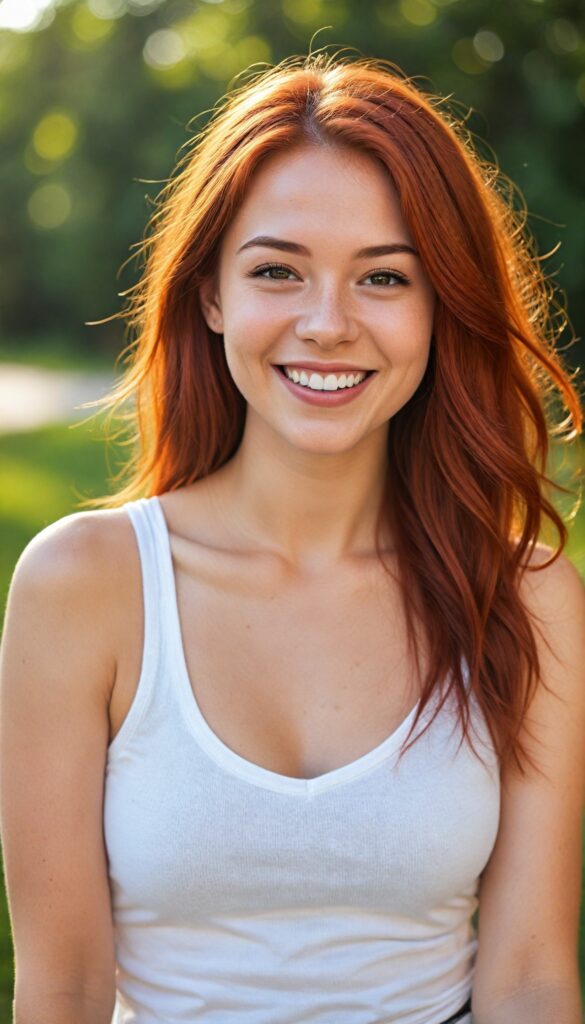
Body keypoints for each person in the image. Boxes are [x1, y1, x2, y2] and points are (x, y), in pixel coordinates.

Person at [0, 50, 584, 1024]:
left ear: (441, 305)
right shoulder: (86, 586)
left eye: (383, 277)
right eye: (278, 270)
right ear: (212, 294)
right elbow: (63, 988)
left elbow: (528, 977)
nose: (327, 323)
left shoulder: (527, 596)